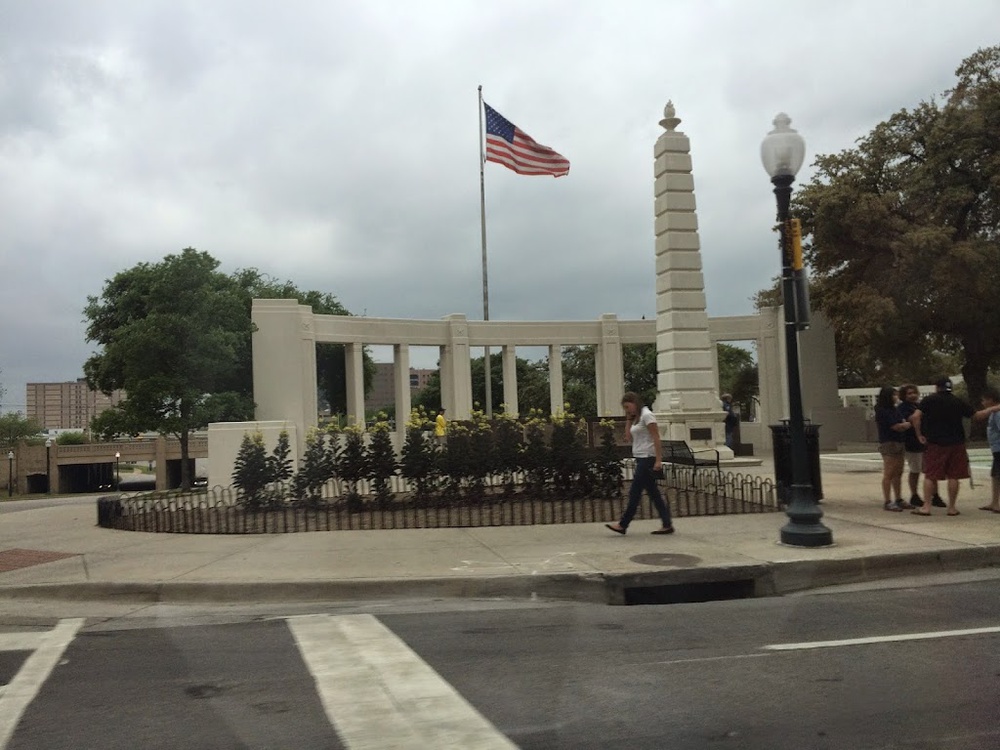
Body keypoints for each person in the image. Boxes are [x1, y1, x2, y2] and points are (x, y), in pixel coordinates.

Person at [605, 392, 674, 535]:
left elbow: (656, 437)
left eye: (627, 407)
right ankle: (667, 523)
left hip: (647, 457)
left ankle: (623, 524)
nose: (627, 410)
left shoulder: (647, 415)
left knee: (635, 492)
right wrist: (628, 419)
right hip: (640, 457)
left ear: (634, 402)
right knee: (653, 493)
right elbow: (628, 437)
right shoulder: (637, 418)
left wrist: (658, 460)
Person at [911, 378, 975, 516]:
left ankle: (926, 506)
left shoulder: (929, 400)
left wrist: (919, 434)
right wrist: (993, 408)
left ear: (937, 387)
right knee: (954, 475)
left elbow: (915, 417)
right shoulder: (957, 401)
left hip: (935, 442)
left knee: (930, 475)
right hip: (956, 442)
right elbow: (976, 415)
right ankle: (951, 507)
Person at [874, 386, 912, 511]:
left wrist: (903, 424)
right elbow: (896, 426)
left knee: (898, 472)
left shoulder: (895, 409)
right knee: (889, 473)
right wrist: (905, 425)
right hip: (889, 443)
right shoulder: (882, 411)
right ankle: (887, 501)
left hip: (899, 441)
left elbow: (901, 421)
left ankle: (898, 498)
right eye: (893, 395)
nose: (896, 397)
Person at [896, 384, 931, 507]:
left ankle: (931, 494)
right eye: (909, 393)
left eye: (914, 393)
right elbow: (911, 418)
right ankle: (914, 494)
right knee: (915, 470)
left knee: (925, 469)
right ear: (904, 396)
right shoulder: (903, 408)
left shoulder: (917, 405)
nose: (913, 395)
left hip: (923, 442)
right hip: (911, 442)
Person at [975, 387, 1000, 513]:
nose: (983, 403)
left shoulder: (998, 414)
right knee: (995, 475)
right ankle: (994, 502)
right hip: (996, 449)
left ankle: (996, 503)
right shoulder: (993, 413)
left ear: (991, 400)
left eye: (984, 400)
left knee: (997, 475)